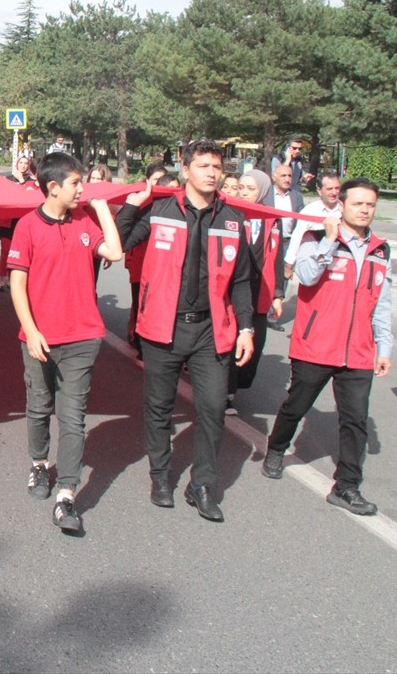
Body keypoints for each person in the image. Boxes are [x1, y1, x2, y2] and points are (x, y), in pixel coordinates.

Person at [117, 140, 254, 523]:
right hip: (162, 327)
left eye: (217, 166)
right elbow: (118, 245)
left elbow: (242, 280)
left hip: (212, 331)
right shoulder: (160, 209)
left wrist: (246, 328)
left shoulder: (232, 219)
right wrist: (132, 205)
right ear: (185, 167)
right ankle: (160, 476)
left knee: (212, 408)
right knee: (158, 408)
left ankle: (203, 484)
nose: (212, 172)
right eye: (204, 165)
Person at [261, 180, 392, 516]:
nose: (364, 210)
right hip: (315, 345)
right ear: (342, 206)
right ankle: (277, 448)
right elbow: (304, 276)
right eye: (358, 204)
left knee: (355, 421)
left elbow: (381, 302)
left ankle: (347, 486)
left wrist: (385, 346)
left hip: (358, 352)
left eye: (370, 205)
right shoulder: (316, 238)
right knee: (296, 405)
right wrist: (330, 244)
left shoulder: (380, 249)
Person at [8, 152, 123, 533]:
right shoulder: (26, 226)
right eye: (76, 183)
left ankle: (67, 494)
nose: (82, 190)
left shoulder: (84, 220)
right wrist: (32, 329)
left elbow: (115, 252)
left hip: (83, 337)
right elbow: (17, 284)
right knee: (39, 407)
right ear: (52, 187)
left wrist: (102, 205)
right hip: (39, 338)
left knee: (73, 417)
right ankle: (39, 465)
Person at [225, 169, 285, 415]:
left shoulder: (272, 218)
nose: (245, 193)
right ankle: (226, 393)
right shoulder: (230, 214)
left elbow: (278, 257)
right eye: (242, 188)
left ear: (262, 191)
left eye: (251, 189)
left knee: (255, 344)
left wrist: (278, 294)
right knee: (230, 343)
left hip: (260, 292)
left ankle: (237, 383)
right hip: (232, 292)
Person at [124, 164, 170, 353]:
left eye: (163, 181)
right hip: (140, 264)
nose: (159, 185)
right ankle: (138, 338)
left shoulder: (172, 206)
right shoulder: (141, 202)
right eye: (155, 181)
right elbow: (127, 237)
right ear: (147, 181)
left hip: (162, 267)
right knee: (140, 304)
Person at [283, 172, 341, 280]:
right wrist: (289, 265)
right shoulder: (309, 211)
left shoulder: (345, 210)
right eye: (329, 189)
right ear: (319, 190)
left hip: (339, 266)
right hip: (315, 266)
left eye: (337, 188)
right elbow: (297, 238)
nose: (334, 192)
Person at [0, 156, 37, 291]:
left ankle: (14, 278)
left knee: (20, 252)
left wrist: (21, 181)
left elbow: (30, 198)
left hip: (23, 221)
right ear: (17, 164)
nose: (23, 166)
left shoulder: (32, 182)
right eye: (21, 163)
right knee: (5, 250)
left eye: (26, 163)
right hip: (6, 220)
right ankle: (2, 278)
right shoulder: (7, 179)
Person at [271, 163, 304, 244]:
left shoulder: (297, 197)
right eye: (283, 176)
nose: (287, 179)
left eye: (289, 176)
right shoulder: (266, 195)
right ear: (274, 178)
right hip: (270, 242)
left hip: (288, 243)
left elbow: (301, 222)